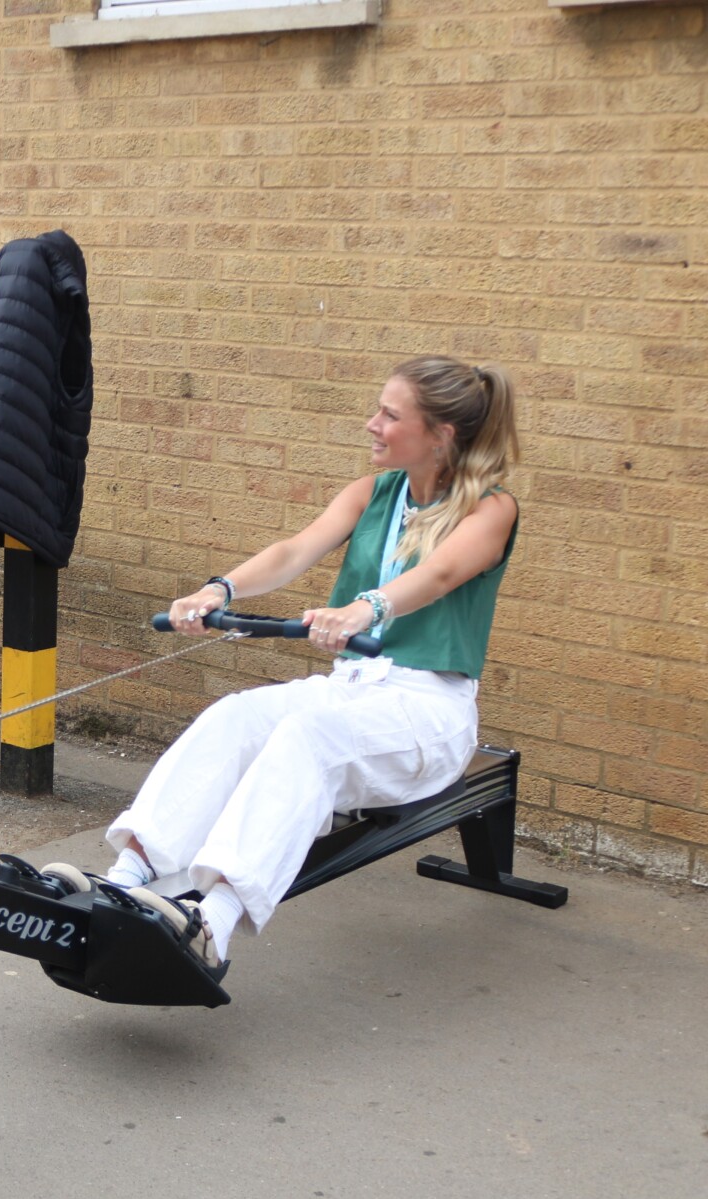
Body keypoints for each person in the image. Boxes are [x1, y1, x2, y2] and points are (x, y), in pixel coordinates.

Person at [51, 357, 521, 977]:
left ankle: (211, 926)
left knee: (307, 739)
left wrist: (363, 610)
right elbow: (293, 551)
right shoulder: (374, 493)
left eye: (389, 414)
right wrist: (218, 590)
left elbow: (440, 574)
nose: (372, 423)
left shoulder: (491, 509)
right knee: (237, 716)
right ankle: (126, 878)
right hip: (351, 690)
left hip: (428, 711)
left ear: (440, 435)